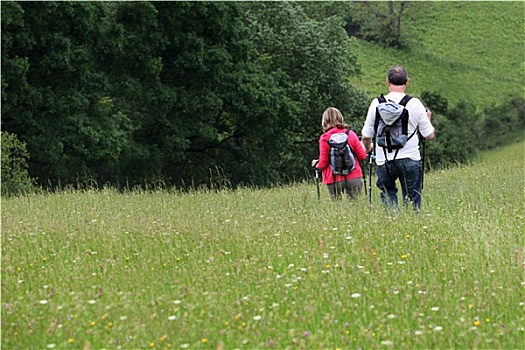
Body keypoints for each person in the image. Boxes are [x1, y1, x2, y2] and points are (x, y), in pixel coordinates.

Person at [361, 65, 435, 211]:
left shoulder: (376, 103)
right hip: (410, 157)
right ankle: (411, 224)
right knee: (412, 198)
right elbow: (429, 135)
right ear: (407, 81)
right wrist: (428, 119)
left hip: (384, 160)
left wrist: (369, 148)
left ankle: (392, 221)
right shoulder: (415, 103)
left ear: (387, 82)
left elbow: (365, 135)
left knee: (388, 194)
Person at [311, 107, 368, 200]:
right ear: (340, 118)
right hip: (353, 176)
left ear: (324, 121)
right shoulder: (350, 134)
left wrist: (316, 164)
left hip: (333, 178)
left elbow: (323, 163)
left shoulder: (324, 138)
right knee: (355, 206)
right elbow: (362, 155)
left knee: (337, 208)